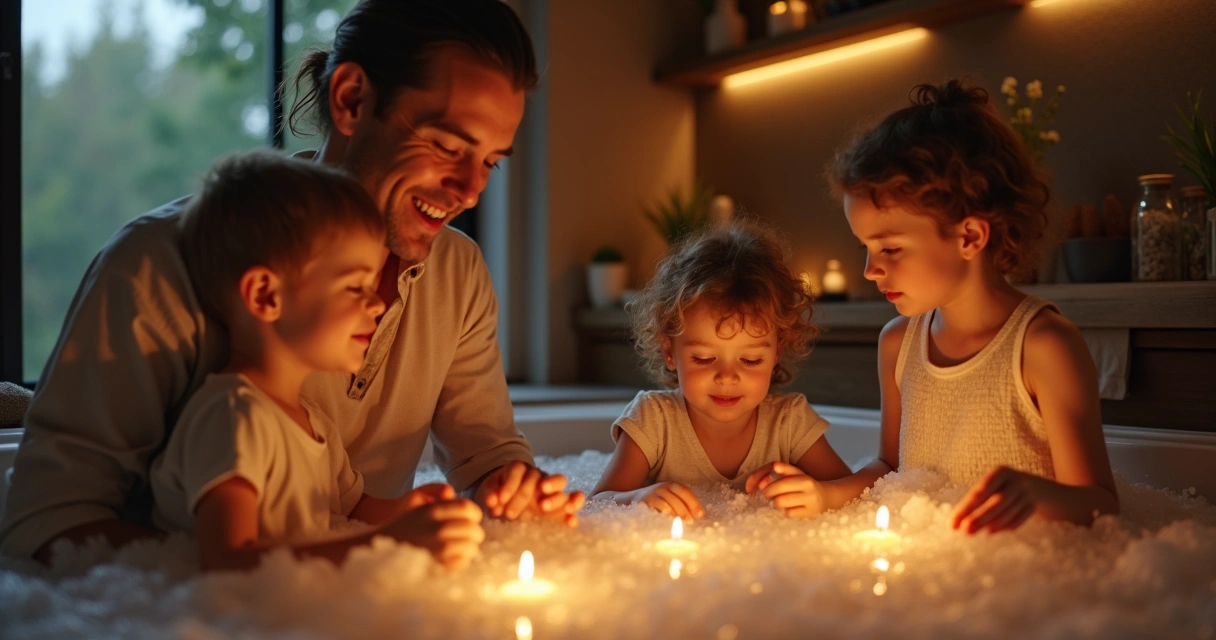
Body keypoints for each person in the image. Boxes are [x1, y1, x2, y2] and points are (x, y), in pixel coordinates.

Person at [0, 0, 582, 564]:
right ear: (352, 98)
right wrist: (257, 569)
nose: (470, 189)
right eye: (448, 146)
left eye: (490, 161)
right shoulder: (154, 263)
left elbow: (485, 458)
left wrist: (513, 486)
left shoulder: (458, 272)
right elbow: (46, 523)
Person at [797, 79, 1118, 534]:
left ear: (970, 236)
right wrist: (827, 493)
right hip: (932, 565)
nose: (869, 269)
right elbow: (891, 467)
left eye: (889, 249)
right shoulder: (898, 343)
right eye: (864, 247)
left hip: (1022, 571)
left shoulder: (1044, 346)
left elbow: (1101, 506)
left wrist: (1037, 494)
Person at [152, 151, 485, 571]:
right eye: (354, 287)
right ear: (265, 296)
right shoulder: (233, 416)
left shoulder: (311, 421)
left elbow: (353, 509)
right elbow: (225, 562)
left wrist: (412, 509)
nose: (376, 305)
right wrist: (389, 539)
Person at [591, 221, 853, 520]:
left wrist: (817, 494)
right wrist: (638, 498)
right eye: (703, 358)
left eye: (751, 360)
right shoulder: (653, 420)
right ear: (669, 352)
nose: (727, 377)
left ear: (776, 354)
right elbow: (599, 503)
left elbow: (854, 490)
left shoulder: (788, 422)